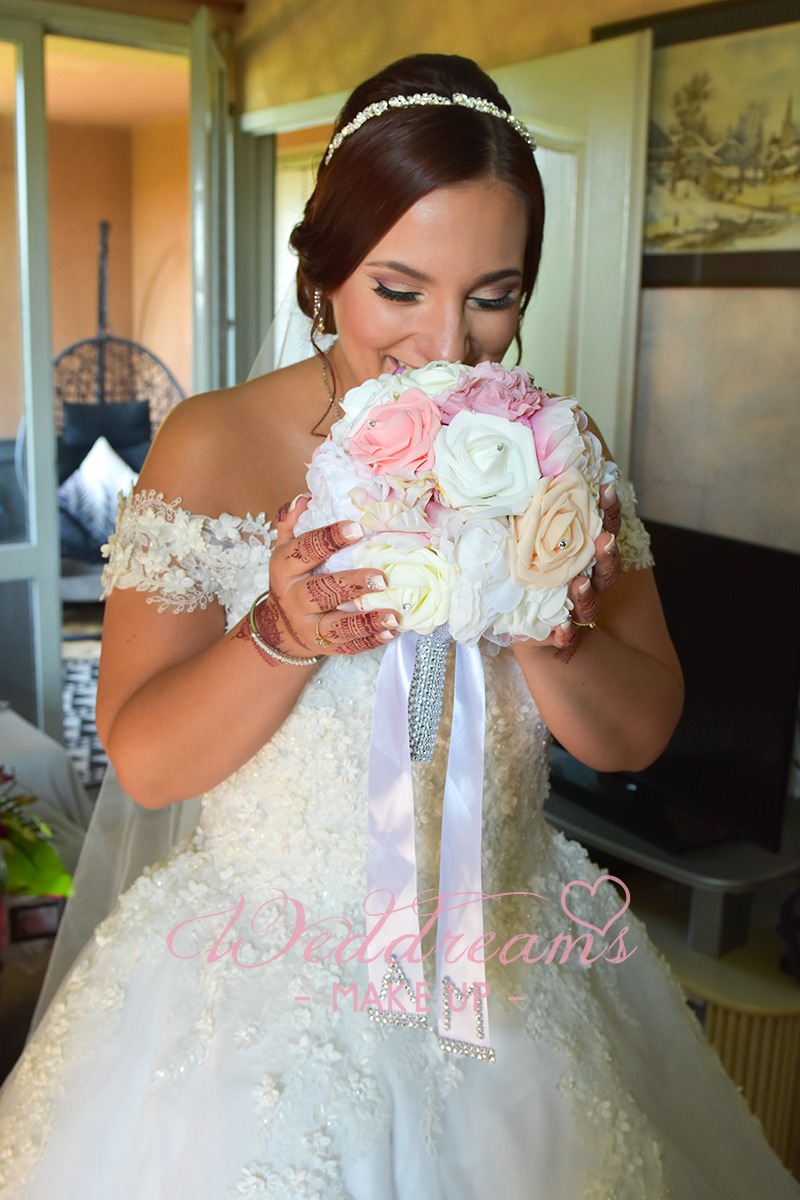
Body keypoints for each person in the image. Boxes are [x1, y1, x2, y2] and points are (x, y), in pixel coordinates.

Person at [0, 53, 797, 1200]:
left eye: (492, 293)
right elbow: (146, 759)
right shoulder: (211, 446)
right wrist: (278, 635)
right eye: (398, 288)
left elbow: (631, 741)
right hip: (252, 987)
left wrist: (537, 620)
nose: (447, 344)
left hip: (516, 981)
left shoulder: (559, 457)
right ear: (323, 274)